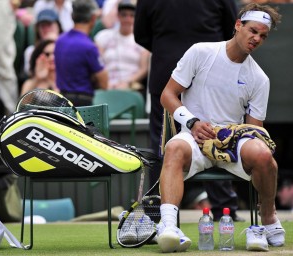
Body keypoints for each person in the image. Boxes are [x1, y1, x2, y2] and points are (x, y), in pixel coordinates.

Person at [156, 3, 285, 253]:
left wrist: (233, 137)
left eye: (263, 36)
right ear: (238, 25)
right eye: (253, 31)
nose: (256, 38)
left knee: (263, 154)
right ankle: (169, 227)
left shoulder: (260, 79)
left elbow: (254, 129)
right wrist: (192, 122)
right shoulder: (200, 52)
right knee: (173, 149)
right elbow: (168, 95)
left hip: (232, 141)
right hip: (193, 134)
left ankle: (268, 217)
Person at [134, 0, 243, 221]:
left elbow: (141, 34)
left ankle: (157, 210)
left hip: (167, 69)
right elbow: (231, 29)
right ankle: (225, 210)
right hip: (209, 73)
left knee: (162, 143)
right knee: (216, 135)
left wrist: (170, 49)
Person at [54, 0, 108, 106]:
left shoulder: (60, 41)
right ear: (93, 18)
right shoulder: (89, 46)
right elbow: (104, 83)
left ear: (72, 16)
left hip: (62, 101)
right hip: (83, 104)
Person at [94, 0, 149, 91]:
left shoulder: (141, 40)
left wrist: (127, 82)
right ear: (118, 16)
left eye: (132, 16)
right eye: (124, 15)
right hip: (106, 85)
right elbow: (98, 62)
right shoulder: (103, 36)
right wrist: (105, 82)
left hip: (131, 87)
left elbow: (143, 69)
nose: (127, 19)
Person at [23, 8, 63, 76]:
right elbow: (30, 76)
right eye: (42, 26)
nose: (46, 29)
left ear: (58, 26)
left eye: (49, 24)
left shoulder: (68, 48)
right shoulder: (30, 51)